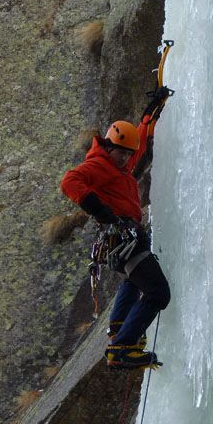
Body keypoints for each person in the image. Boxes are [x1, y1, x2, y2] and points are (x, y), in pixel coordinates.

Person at [60, 94, 171, 369]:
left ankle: (119, 328)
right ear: (108, 146)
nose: (125, 157)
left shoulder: (119, 165)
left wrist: (150, 115)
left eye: (128, 154)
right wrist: (99, 209)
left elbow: (140, 143)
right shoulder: (100, 165)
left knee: (134, 281)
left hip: (125, 238)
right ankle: (122, 347)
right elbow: (69, 181)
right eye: (121, 151)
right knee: (158, 292)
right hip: (122, 237)